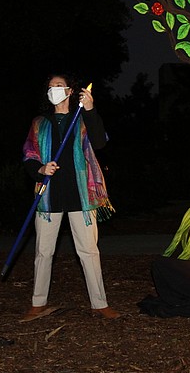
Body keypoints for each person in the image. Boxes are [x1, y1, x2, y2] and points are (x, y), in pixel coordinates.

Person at [21, 74, 120, 320]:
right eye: (50, 86)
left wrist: (90, 109)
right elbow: (29, 154)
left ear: (69, 90)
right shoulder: (39, 122)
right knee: (43, 251)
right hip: (48, 195)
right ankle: (38, 302)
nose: (53, 89)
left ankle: (100, 303)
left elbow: (99, 142)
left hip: (81, 194)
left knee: (88, 250)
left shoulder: (82, 118)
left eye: (58, 86)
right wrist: (40, 169)